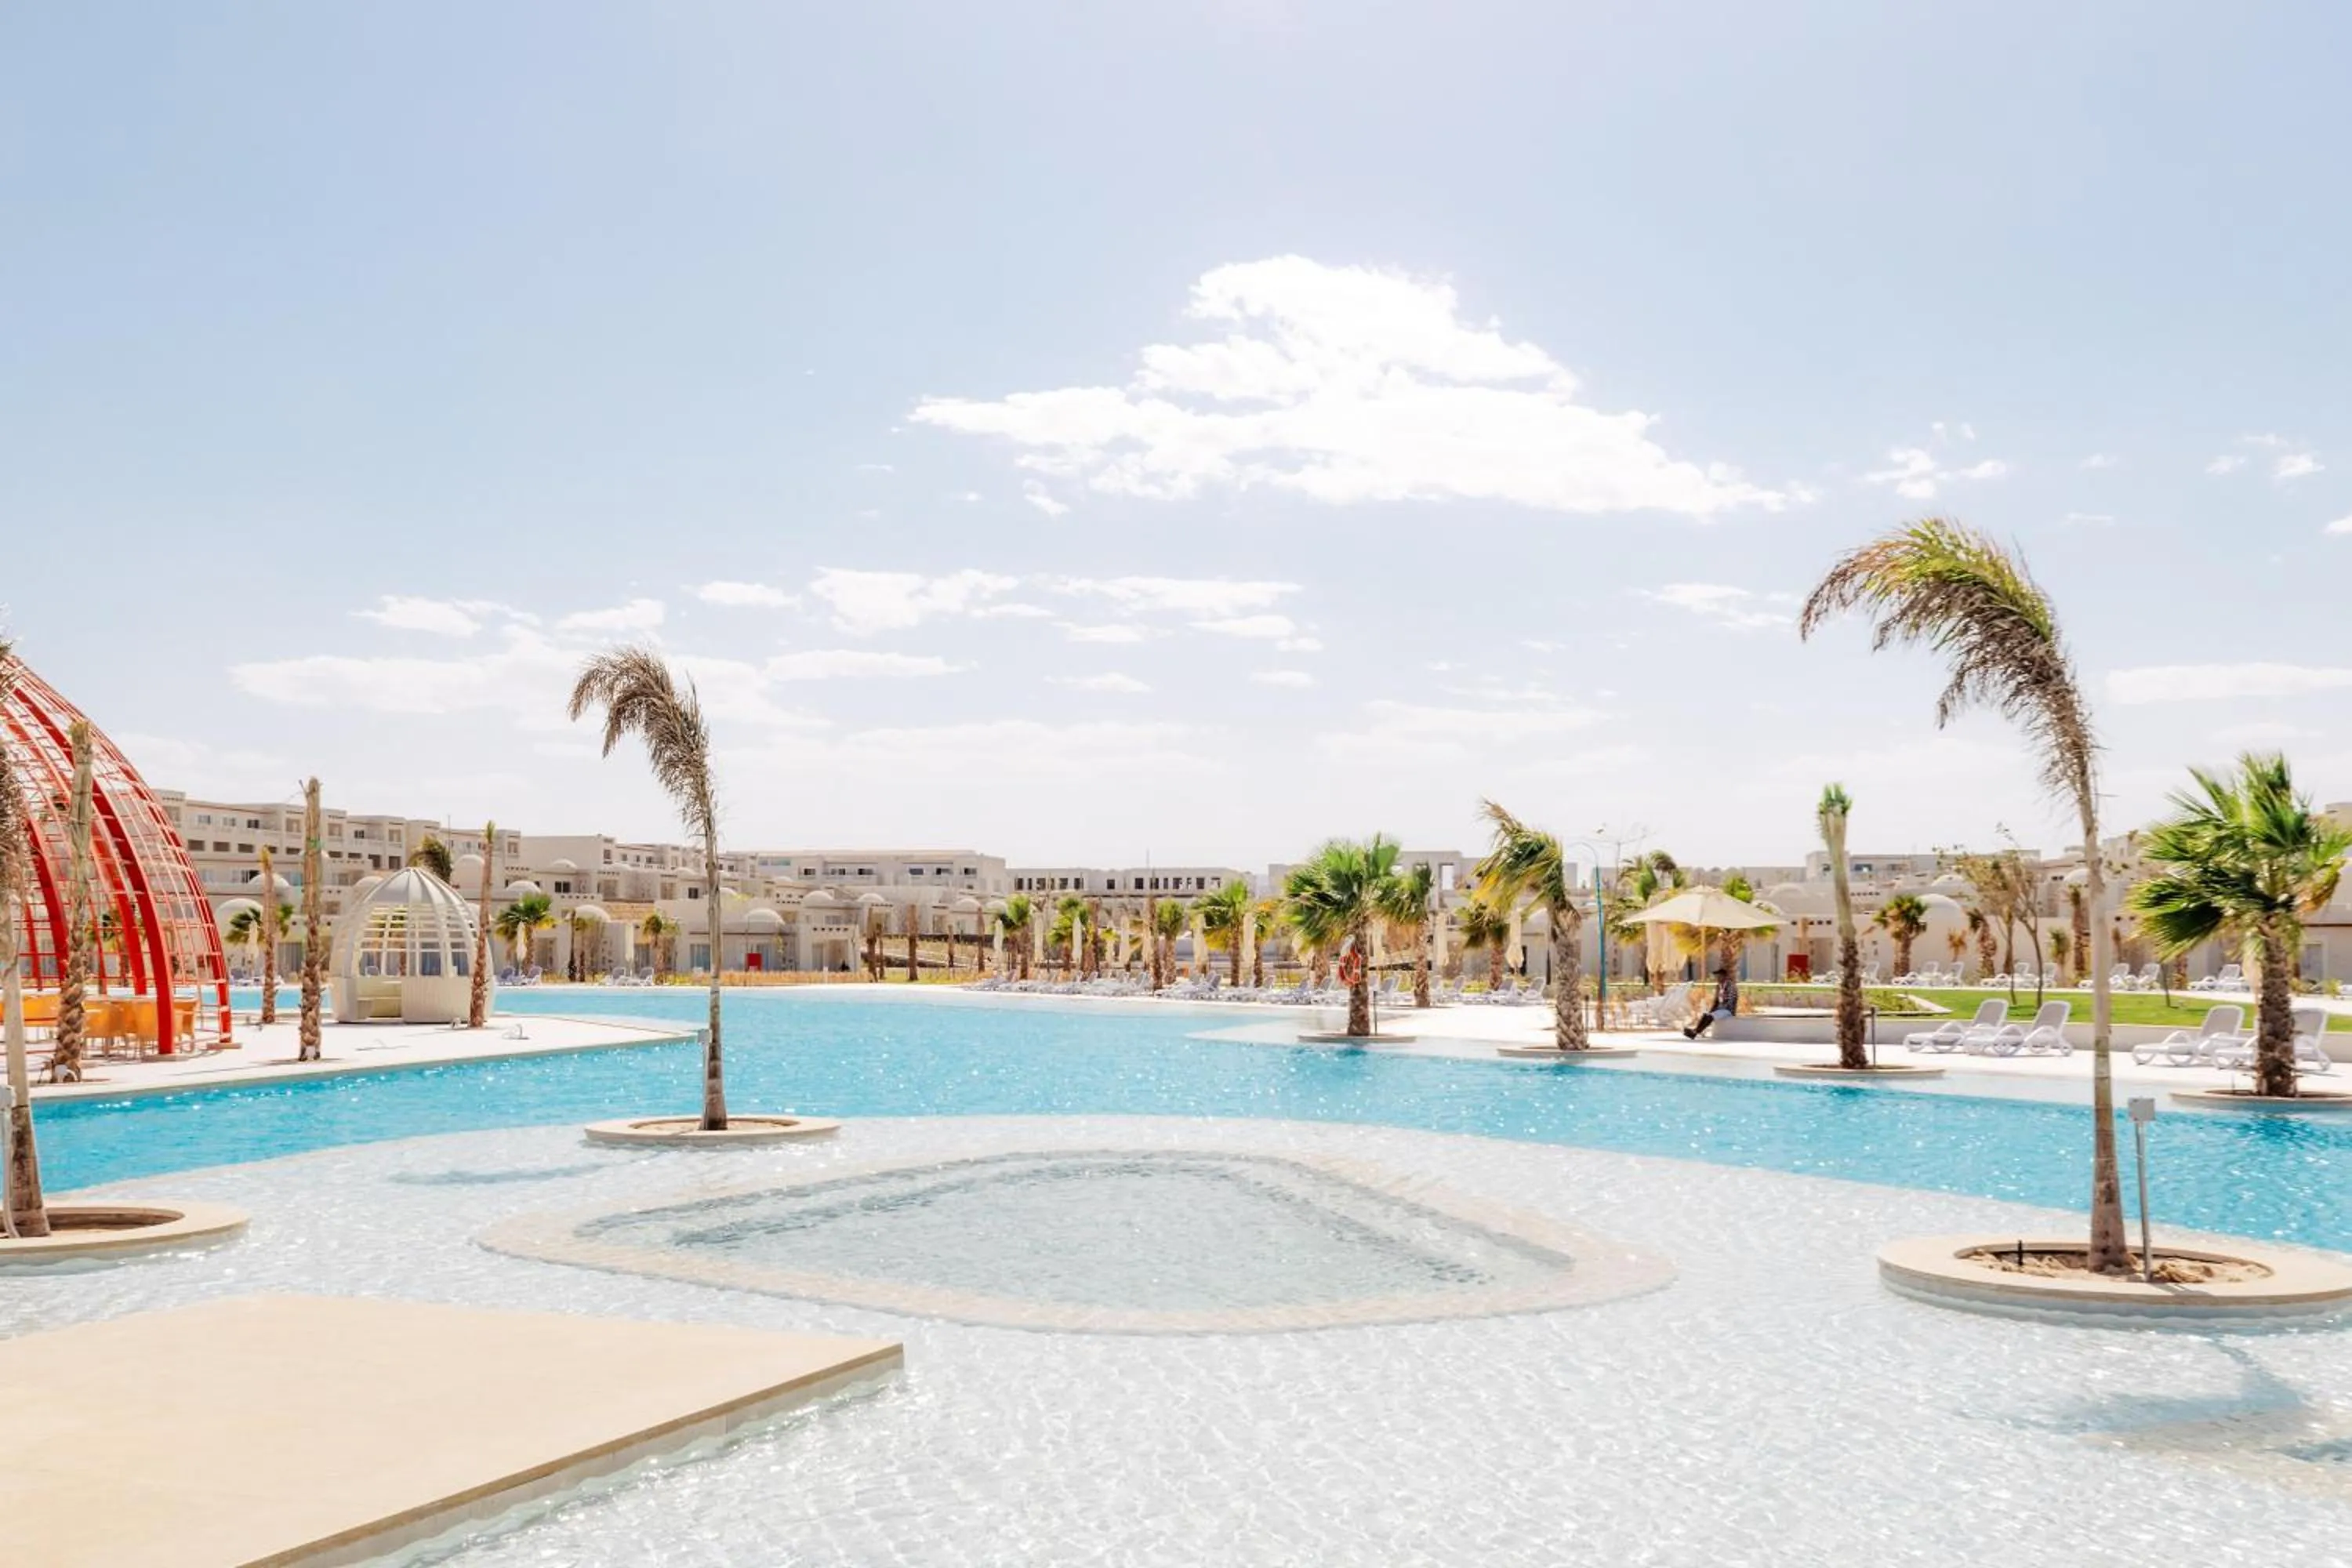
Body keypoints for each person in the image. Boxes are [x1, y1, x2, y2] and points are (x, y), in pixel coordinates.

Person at [1682, 961, 1740, 1039]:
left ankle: (1695, 1032)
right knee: (1706, 1015)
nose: (1717, 978)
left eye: (1719, 976)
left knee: (1710, 1016)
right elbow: (1716, 1001)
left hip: (1728, 1010)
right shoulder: (1719, 986)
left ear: (1724, 976)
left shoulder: (1730, 985)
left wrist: (1719, 1010)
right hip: (1720, 1010)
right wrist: (1713, 1010)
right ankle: (1695, 1031)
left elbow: (1731, 1000)